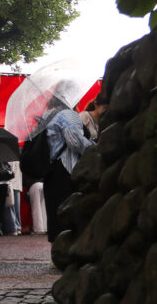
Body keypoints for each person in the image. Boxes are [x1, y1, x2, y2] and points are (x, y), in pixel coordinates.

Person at [40, 97, 95, 242]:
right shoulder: (67, 114)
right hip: (66, 168)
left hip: (50, 169)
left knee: (54, 211)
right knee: (68, 209)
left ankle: (55, 252)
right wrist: (94, 147)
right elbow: (75, 142)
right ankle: (69, 249)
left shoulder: (46, 114)